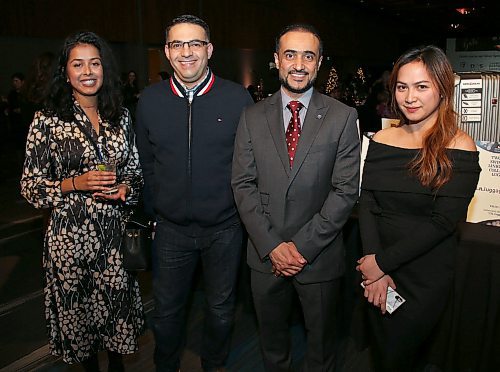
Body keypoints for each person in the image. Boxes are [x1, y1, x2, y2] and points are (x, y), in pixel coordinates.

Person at [232, 24, 360, 371]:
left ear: (319, 64)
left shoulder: (343, 117)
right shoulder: (251, 116)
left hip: (318, 255)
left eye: (309, 55)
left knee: (322, 348)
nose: (299, 64)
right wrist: (273, 245)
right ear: (277, 60)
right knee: (271, 345)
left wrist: (301, 248)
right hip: (265, 254)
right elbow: (242, 185)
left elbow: (345, 190)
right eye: (290, 55)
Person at [20, 31, 144, 371]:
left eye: (95, 63)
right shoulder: (47, 120)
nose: (87, 71)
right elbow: (31, 188)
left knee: (117, 326)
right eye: (78, 64)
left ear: (105, 69)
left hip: (114, 240)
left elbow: (135, 173)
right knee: (83, 329)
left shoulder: (120, 116)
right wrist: (75, 183)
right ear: (65, 71)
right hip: (69, 241)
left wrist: (125, 189)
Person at [135, 14, 253, 372]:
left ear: (209, 49)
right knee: (168, 314)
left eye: (195, 43)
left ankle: (213, 364)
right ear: (167, 52)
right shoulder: (149, 100)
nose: (186, 52)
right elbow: (146, 163)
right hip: (170, 231)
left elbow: (248, 166)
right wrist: (159, 211)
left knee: (219, 310)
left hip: (225, 229)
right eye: (177, 44)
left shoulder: (237, 99)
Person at [356, 45, 481, 371]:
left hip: (424, 275)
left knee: (403, 354)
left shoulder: (459, 146)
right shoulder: (383, 139)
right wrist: (374, 266)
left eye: (421, 86)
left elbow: (442, 223)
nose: (409, 97)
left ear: (442, 89)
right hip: (377, 267)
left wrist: (381, 263)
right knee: (382, 352)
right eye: (402, 87)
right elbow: (367, 201)